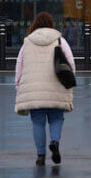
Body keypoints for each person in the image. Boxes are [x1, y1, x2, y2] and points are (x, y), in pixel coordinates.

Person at [15, 11, 76, 166]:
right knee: (56, 118)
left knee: (38, 122)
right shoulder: (60, 41)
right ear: (51, 24)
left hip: (34, 90)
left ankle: (40, 156)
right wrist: (70, 80)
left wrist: (18, 85)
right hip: (57, 86)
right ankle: (54, 142)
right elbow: (70, 63)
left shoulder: (27, 42)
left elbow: (19, 66)